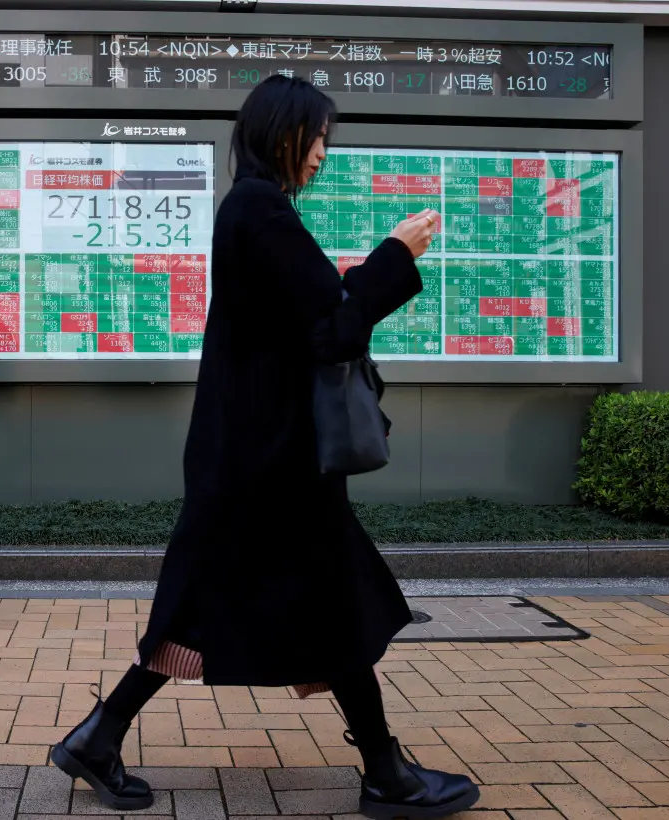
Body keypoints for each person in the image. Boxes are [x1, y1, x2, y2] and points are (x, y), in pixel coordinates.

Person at [49, 76, 479, 819]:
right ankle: (387, 776)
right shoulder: (260, 209)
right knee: (325, 606)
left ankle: (100, 738)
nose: (321, 155)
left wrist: (363, 276)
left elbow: (308, 319)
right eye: (317, 139)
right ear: (283, 133)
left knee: (237, 609)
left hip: (255, 464)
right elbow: (333, 330)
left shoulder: (252, 209)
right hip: (271, 469)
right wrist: (395, 254)